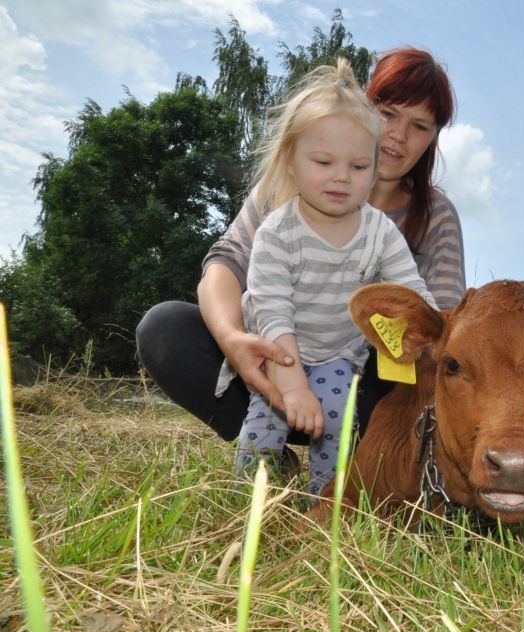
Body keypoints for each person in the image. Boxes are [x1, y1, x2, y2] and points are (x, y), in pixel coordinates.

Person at [135, 48, 463, 483]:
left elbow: (439, 320)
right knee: (165, 328)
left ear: (432, 137)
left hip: (362, 380)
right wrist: (234, 340)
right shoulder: (285, 188)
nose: (397, 136)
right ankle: (268, 457)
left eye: (419, 126)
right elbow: (227, 260)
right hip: (274, 357)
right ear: (364, 107)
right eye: (387, 113)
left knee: (408, 372)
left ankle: (359, 465)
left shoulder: (434, 214)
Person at [226, 58, 436, 497]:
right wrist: (293, 383)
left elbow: (413, 293)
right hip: (275, 349)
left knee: (338, 421)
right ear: (290, 159)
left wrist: (441, 330)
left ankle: (326, 499)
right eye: (324, 162)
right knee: (266, 420)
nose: (341, 177)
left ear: (374, 167)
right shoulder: (278, 232)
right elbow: (271, 310)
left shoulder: (380, 231)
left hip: (340, 353)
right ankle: (252, 495)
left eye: (359, 167)